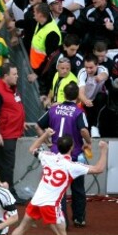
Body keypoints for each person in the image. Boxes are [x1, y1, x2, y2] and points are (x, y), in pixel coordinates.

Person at [0, 130, 108, 235]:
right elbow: (98, 169)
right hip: (50, 205)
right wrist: (104, 150)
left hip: (36, 200)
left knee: (23, 226)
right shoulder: (72, 166)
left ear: (57, 146)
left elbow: (32, 149)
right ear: (71, 148)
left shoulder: (48, 157)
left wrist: (44, 135)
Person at [37, 83, 93, 227]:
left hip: (56, 155)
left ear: (64, 94)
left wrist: (48, 141)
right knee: (78, 189)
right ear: (77, 97)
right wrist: (88, 142)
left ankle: (62, 221)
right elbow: (84, 131)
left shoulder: (54, 109)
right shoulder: (79, 112)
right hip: (74, 155)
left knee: (58, 189)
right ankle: (79, 218)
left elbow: (38, 125)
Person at [0, 63, 26, 199]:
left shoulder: (11, 88)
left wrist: (22, 121)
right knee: (7, 166)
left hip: (11, 133)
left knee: (1, 164)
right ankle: (10, 194)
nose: (17, 76)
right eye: (14, 74)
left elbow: (13, 107)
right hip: (4, 135)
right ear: (5, 76)